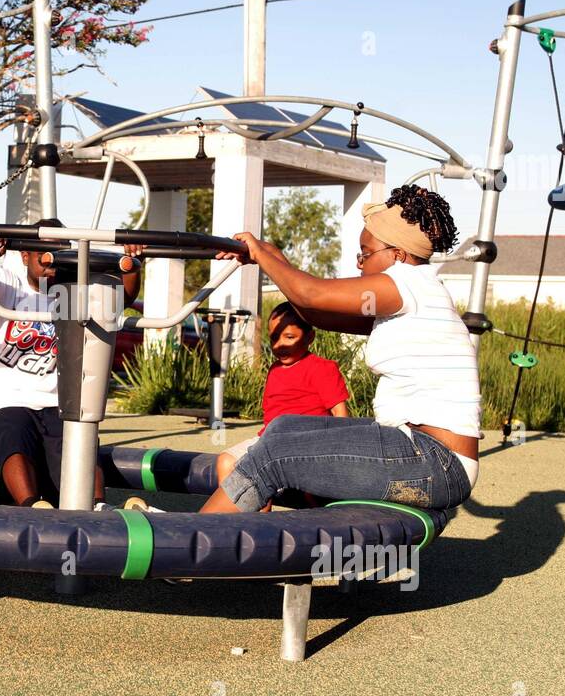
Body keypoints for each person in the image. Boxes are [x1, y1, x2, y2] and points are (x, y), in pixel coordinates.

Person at [199, 184, 479, 515]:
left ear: (398, 255)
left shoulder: (406, 283)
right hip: (422, 454)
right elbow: (316, 313)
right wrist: (272, 256)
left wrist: (261, 256)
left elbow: (311, 294)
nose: (360, 264)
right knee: (284, 428)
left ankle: (186, 539)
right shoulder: (414, 295)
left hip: (434, 462)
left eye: (365, 253)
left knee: (274, 453)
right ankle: (245, 533)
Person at [0, 228, 140, 509]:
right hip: (4, 400)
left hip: (56, 403)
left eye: (59, 253)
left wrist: (132, 263)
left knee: (77, 435)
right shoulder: (10, 284)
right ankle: (31, 507)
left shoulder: (72, 292)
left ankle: (97, 506)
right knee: (10, 430)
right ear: (25, 255)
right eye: (44, 253)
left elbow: (122, 297)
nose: (51, 260)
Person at [214, 301, 349, 495]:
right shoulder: (274, 370)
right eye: (274, 337)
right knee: (225, 461)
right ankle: (235, 513)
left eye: (289, 337)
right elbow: (270, 414)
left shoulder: (322, 368)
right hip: (269, 441)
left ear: (310, 337)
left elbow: (340, 412)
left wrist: (339, 451)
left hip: (306, 443)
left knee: (265, 474)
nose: (279, 345)